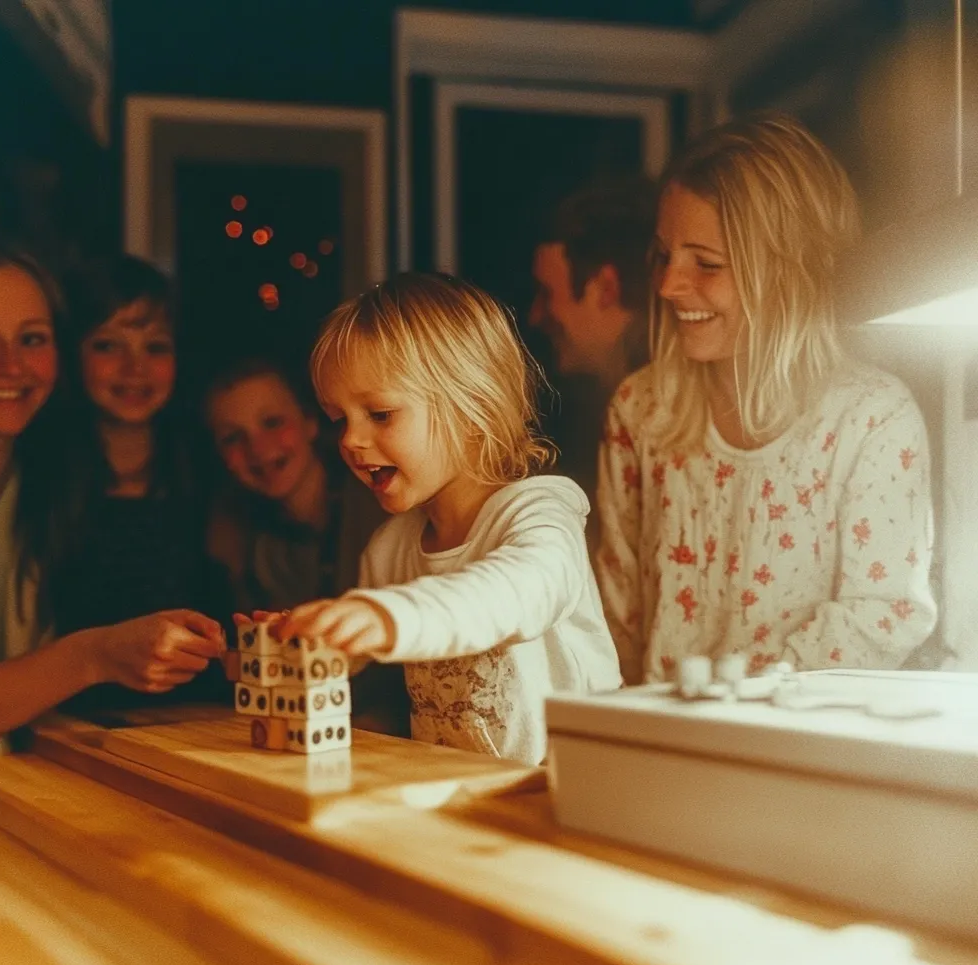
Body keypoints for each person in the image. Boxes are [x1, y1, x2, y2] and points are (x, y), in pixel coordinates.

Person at [596, 114, 938, 686]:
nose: (668, 285)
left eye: (705, 263)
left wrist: (741, 699)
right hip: (661, 751)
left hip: (799, 755)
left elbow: (883, 612)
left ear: (788, 274)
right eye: (663, 255)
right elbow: (616, 619)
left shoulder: (872, 419)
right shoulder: (640, 409)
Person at [258, 273, 621, 766]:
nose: (349, 440)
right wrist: (310, 638)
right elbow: (364, 647)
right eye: (340, 418)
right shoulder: (390, 548)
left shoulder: (540, 510)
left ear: (471, 406)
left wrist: (386, 616)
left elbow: (519, 591)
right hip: (460, 791)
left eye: (380, 414)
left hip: (575, 793)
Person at [0, 244, 222, 746]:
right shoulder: (53, 480)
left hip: (136, 748)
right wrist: (96, 655)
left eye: (31, 338)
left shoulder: (24, 480)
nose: (10, 365)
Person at [43, 254, 230, 709]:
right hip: (64, 725)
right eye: (108, 345)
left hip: (196, 721)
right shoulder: (40, 474)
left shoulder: (210, 470)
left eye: (156, 347)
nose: (135, 368)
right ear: (73, 355)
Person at [205, 354, 409, 734]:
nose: (258, 447)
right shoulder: (244, 543)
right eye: (233, 437)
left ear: (311, 422)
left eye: (272, 422)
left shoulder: (384, 507)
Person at [529, 176, 657, 519]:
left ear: (605, 288)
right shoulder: (612, 399)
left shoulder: (655, 408)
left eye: (546, 293)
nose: (535, 316)